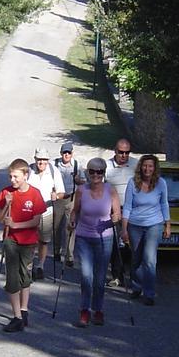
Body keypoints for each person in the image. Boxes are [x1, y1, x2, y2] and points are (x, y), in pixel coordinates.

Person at [0, 158, 47, 333]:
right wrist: (7, 204)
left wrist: (17, 225)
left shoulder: (34, 194)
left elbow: (36, 220)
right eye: (10, 176)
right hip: (11, 240)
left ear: (25, 175)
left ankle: (24, 310)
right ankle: (16, 316)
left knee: (25, 275)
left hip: (29, 241)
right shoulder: (6, 193)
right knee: (12, 277)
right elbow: (0, 219)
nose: (12, 180)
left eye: (16, 177)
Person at [68, 157, 120, 326]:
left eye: (100, 172)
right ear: (88, 172)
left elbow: (118, 215)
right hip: (84, 237)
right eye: (92, 171)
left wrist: (112, 220)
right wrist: (72, 220)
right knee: (86, 275)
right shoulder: (81, 190)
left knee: (99, 278)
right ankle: (84, 310)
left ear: (104, 173)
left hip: (104, 239)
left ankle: (98, 309)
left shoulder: (110, 190)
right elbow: (75, 211)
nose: (96, 175)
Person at [121, 154, 171, 306]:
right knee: (136, 258)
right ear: (140, 167)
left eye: (150, 166)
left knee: (149, 259)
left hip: (154, 224)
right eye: (145, 165)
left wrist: (168, 224)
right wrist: (124, 229)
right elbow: (128, 206)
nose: (147, 169)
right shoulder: (132, 183)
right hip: (135, 225)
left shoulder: (161, 183)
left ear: (154, 168)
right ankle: (136, 287)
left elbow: (164, 204)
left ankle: (149, 293)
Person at [28, 146, 64, 280]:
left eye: (44, 160)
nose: (41, 163)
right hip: (30, 211)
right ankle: (29, 266)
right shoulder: (29, 171)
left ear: (48, 160)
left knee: (43, 241)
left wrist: (57, 196)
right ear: (35, 159)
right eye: (39, 160)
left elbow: (62, 192)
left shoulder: (54, 172)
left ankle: (40, 266)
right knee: (31, 240)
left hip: (47, 211)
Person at [105, 137, 135, 285]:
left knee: (132, 243)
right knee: (115, 244)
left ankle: (134, 276)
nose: (124, 156)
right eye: (121, 152)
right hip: (114, 210)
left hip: (133, 211)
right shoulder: (107, 166)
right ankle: (117, 275)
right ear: (115, 151)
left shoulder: (136, 165)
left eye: (127, 152)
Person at [52, 141, 84, 267]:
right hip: (59, 199)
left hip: (72, 198)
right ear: (61, 153)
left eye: (69, 152)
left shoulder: (77, 165)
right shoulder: (54, 165)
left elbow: (84, 182)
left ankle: (69, 256)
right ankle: (56, 251)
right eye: (64, 152)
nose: (66, 155)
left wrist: (78, 180)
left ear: (72, 153)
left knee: (70, 227)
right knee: (56, 227)